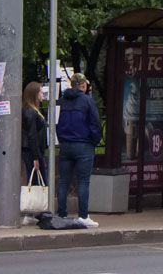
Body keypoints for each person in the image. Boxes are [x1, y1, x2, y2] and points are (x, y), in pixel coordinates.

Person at [55, 72, 102, 227]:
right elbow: (95, 123)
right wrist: (93, 141)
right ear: (83, 85)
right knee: (83, 181)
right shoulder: (87, 101)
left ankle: (61, 215)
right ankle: (83, 216)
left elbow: (56, 123)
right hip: (83, 145)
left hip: (66, 145)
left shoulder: (61, 101)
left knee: (63, 181)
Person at [21, 81, 48, 186]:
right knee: (39, 181)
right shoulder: (30, 111)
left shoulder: (33, 110)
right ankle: (38, 203)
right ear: (34, 94)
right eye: (40, 92)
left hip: (35, 150)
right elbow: (31, 134)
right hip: (33, 152)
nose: (42, 95)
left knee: (39, 181)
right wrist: (35, 157)